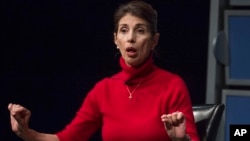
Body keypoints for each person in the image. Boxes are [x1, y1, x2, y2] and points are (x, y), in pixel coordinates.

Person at [8, 1, 200, 141]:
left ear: (154, 40)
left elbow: (191, 138)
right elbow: (69, 138)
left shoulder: (172, 85)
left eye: (140, 30)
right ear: (116, 39)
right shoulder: (104, 89)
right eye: (124, 30)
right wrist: (28, 134)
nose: (131, 38)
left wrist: (180, 140)